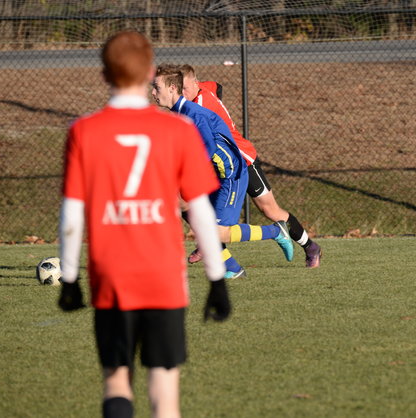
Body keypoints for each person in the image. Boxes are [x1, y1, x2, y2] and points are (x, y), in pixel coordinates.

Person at [57, 30, 231, 418]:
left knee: (117, 382)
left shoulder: (83, 131)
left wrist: (69, 278)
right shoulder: (178, 130)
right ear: (151, 72)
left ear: (104, 75)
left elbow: (71, 213)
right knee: (164, 393)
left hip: (111, 277)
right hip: (163, 278)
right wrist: (216, 280)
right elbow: (201, 211)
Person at [151, 64, 294, 279]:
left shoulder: (193, 114)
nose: (153, 92)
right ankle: (232, 268)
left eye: (157, 87)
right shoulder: (179, 114)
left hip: (230, 174)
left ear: (172, 88)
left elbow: (207, 149)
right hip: (215, 175)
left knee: (219, 233)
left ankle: (276, 231)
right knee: (187, 209)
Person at [179, 64, 322, 268]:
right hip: (222, 164)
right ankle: (210, 243)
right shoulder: (203, 88)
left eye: (185, 88)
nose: (182, 94)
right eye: (179, 89)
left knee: (270, 210)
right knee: (188, 202)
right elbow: (217, 86)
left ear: (195, 83)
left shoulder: (200, 106)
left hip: (243, 159)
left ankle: (310, 247)